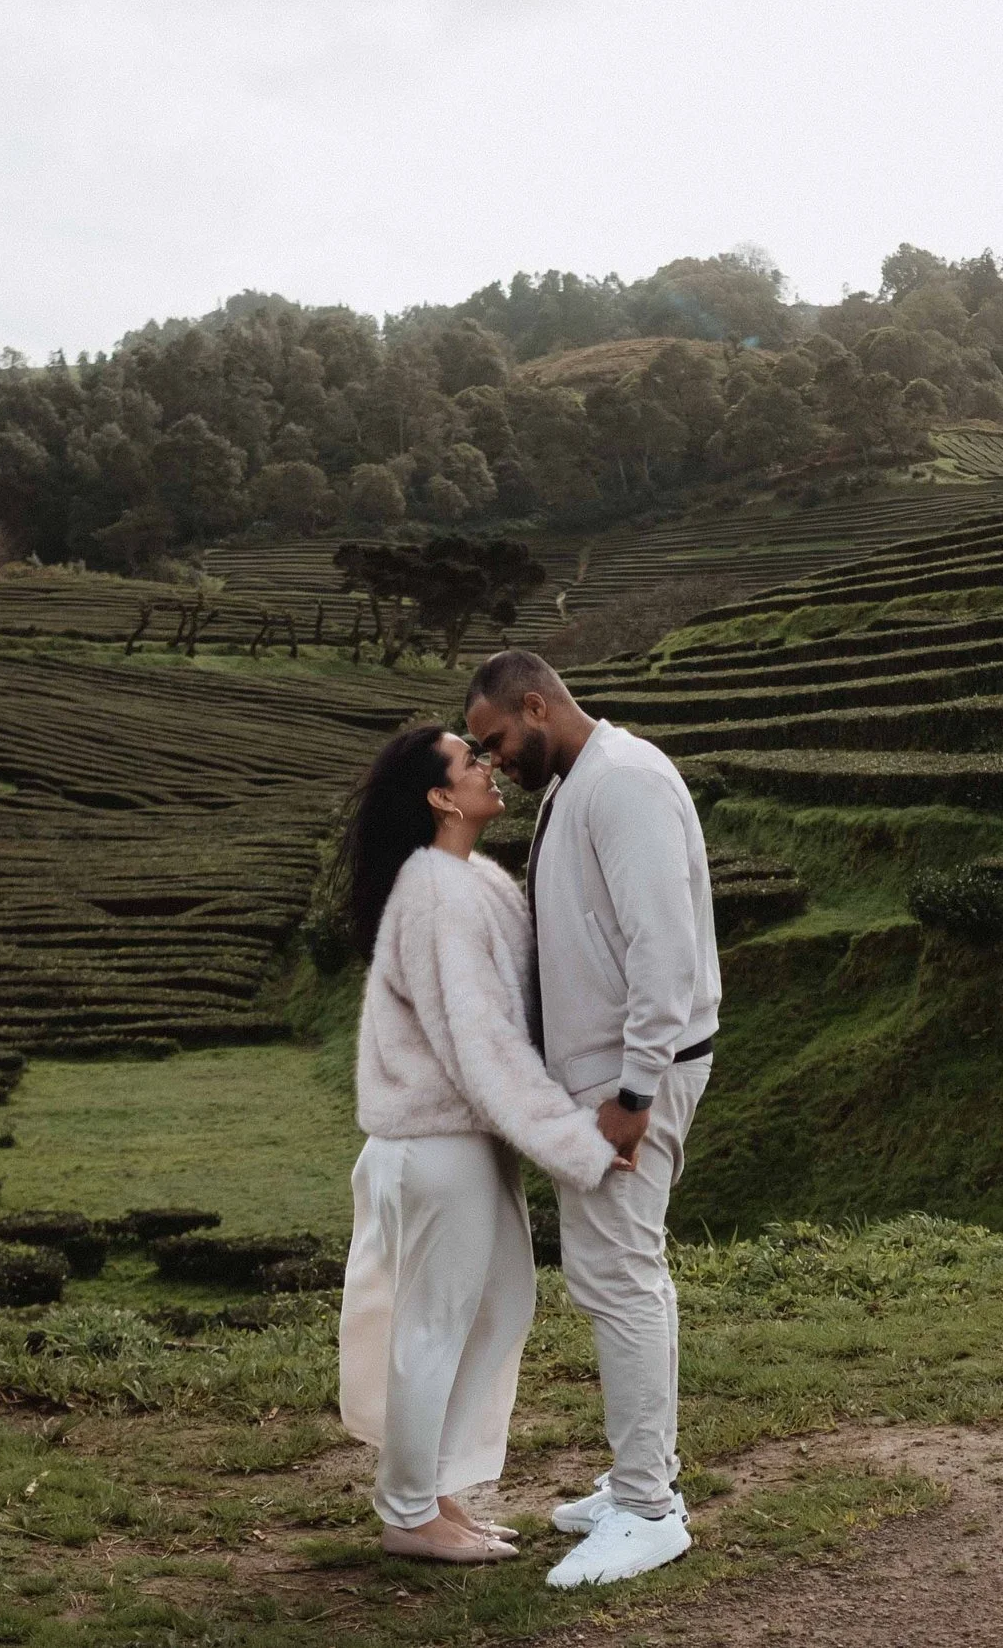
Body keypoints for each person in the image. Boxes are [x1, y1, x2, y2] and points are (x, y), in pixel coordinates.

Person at [464, 649, 722, 1590]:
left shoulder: (624, 781)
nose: (494, 763)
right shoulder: (582, 783)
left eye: (497, 740)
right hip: (602, 1076)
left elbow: (668, 953)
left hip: (629, 1080)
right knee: (607, 1273)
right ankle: (635, 1483)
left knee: (621, 1275)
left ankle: (651, 1510)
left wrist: (635, 1097)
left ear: (537, 705)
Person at [335, 723, 621, 1564]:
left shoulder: (470, 883)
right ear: (439, 796)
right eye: (470, 761)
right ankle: (408, 1514)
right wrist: (579, 1141)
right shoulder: (438, 894)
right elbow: (483, 1044)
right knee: (437, 1323)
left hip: (463, 1144)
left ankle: (435, 1494)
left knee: (497, 1305)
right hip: (437, 1146)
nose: (488, 767)